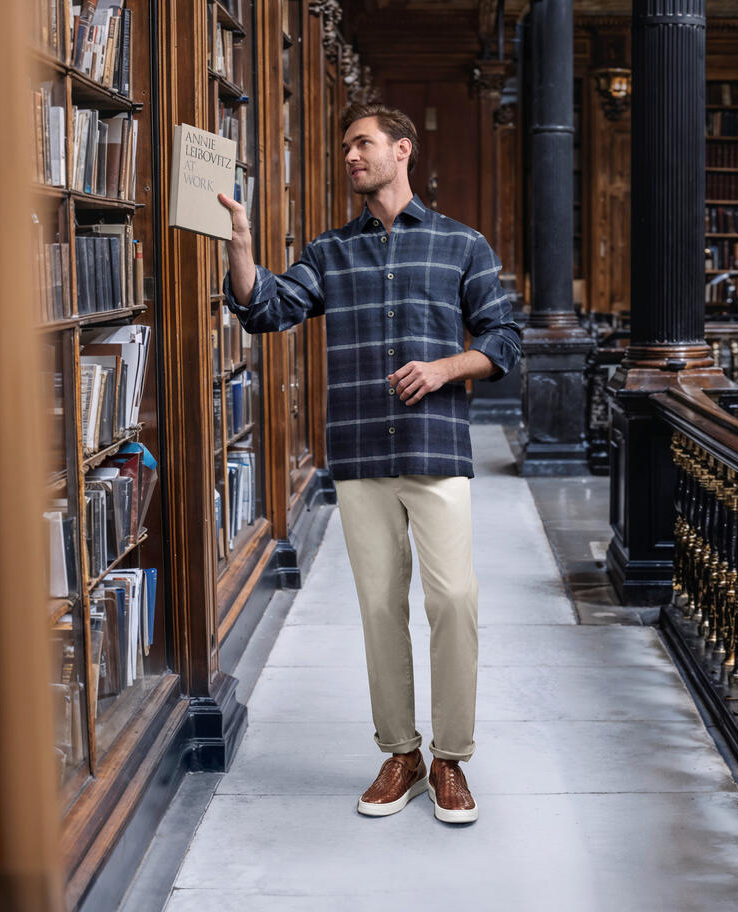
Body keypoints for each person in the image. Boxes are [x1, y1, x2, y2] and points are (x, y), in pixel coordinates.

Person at [219, 101, 521, 824]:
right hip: (359, 456)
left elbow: (504, 341)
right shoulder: (329, 251)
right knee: (381, 609)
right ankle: (402, 753)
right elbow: (266, 309)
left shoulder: (462, 245)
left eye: (363, 144)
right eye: (346, 146)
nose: (351, 156)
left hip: (436, 449)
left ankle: (452, 757)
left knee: (453, 602)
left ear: (402, 150)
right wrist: (239, 246)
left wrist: (447, 369)